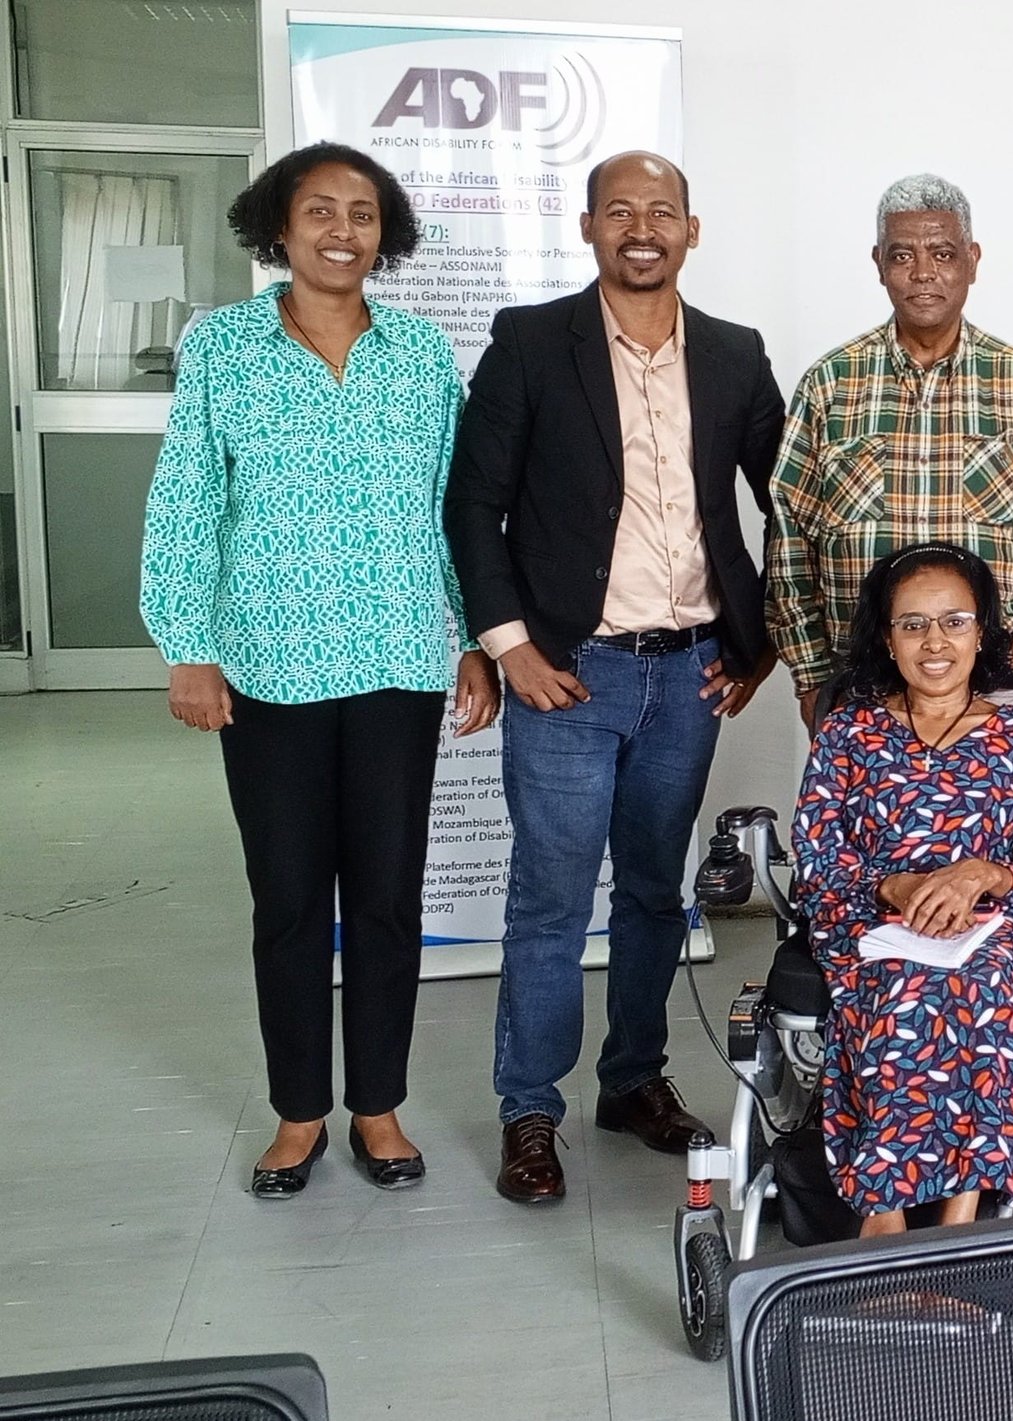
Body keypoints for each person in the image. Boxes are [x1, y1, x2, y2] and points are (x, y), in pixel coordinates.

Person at [139, 142, 498, 1198]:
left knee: (386, 897)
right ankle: (299, 1110)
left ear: (385, 233)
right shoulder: (223, 347)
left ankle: (377, 1106)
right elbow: (188, 498)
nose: (343, 230)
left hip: (394, 659)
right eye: (320, 211)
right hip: (265, 665)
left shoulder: (424, 354)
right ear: (279, 227)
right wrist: (186, 645)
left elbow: (454, 512)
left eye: (363, 212)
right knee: (290, 899)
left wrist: (478, 635)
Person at [444, 151, 787, 1205]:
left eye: (662, 212)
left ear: (693, 229)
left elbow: (796, 504)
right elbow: (472, 505)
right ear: (588, 227)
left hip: (687, 673)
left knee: (654, 894)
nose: (643, 227)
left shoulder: (734, 353)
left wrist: (761, 641)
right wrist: (510, 648)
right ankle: (529, 1107)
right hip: (569, 676)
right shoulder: (531, 342)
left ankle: (632, 1078)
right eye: (620, 211)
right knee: (550, 899)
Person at [791, 542, 1013, 1234]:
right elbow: (818, 857)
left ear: (982, 632)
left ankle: (957, 1218)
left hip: (992, 925)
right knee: (904, 987)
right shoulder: (849, 735)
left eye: (954, 621)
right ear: (887, 639)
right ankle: (883, 1220)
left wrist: (984, 874)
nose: (934, 641)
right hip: (873, 920)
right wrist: (900, 884)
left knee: (978, 980)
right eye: (913, 624)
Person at [766, 173, 1013, 727]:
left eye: (942, 253)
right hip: (861, 687)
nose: (923, 273)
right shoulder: (830, 384)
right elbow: (789, 540)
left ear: (972, 260)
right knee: (861, 817)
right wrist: (809, 674)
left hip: (990, 689)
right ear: (878, 263)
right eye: (903, 255)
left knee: (987, 816)